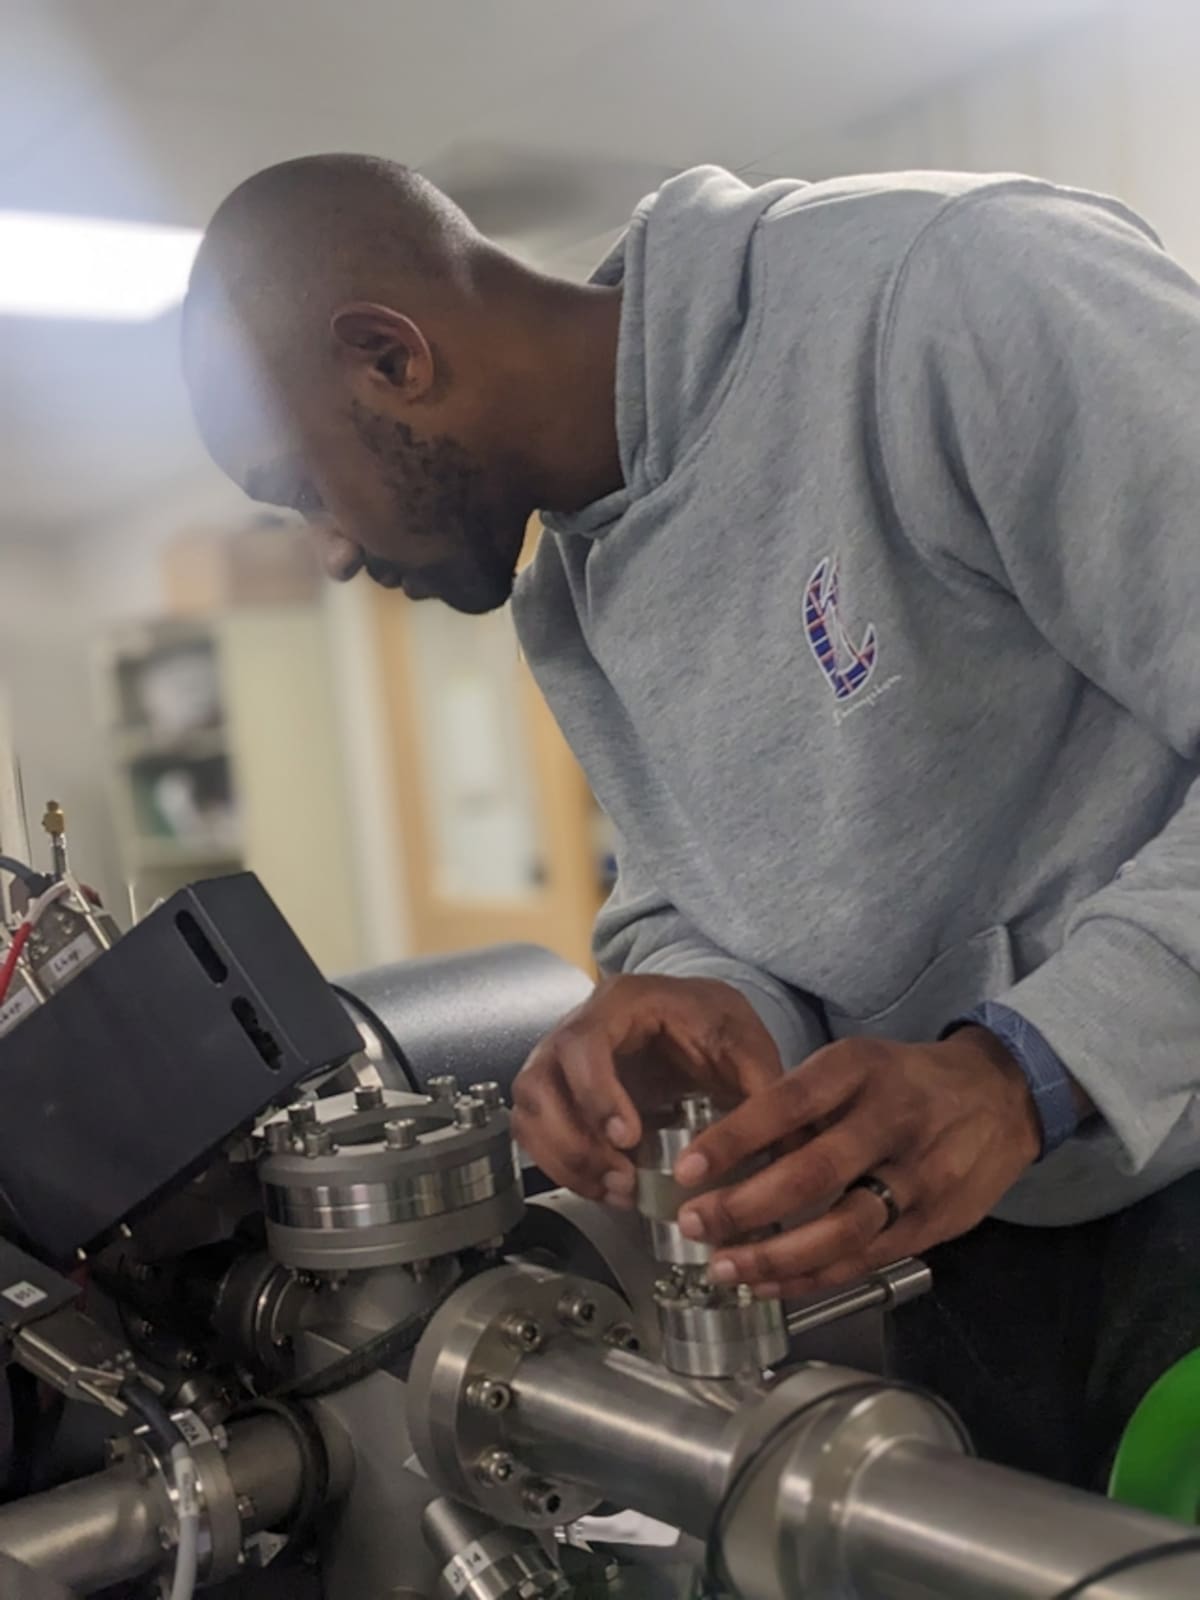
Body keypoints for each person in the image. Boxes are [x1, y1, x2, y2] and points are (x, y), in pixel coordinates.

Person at [183, 154, 1200, 1490]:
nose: (326, 551)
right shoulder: (573, 597)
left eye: (301, 485)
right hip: (984, 1226)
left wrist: (1025, 1069)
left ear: (390, 356)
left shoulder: (952, 293)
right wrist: (703, 1000)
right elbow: (706, 896)